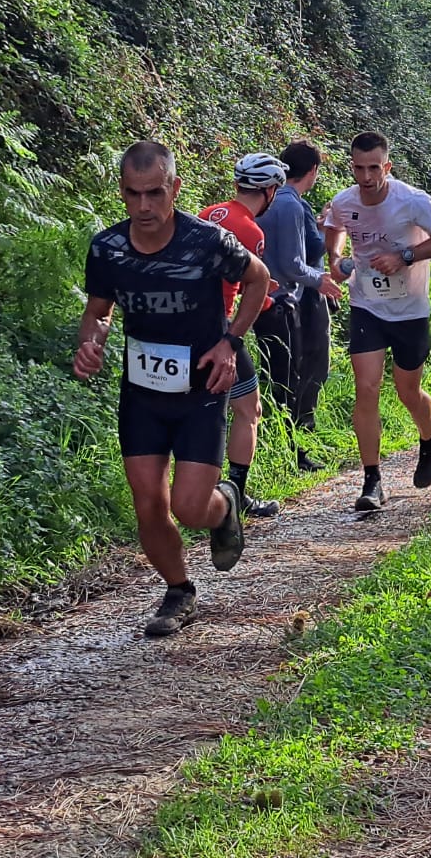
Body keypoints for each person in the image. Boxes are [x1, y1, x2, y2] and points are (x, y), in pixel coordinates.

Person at [75, 141, 272, 638]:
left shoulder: (207, 241)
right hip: (142, 391)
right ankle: (178, 590)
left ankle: (224, 503)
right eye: (133, 194)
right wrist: (91, 343)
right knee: (147, 501)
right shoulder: (108, 248)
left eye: (155, 193)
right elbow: (99, 312)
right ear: (121, 193)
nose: (144, 206)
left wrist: (230, 342)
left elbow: (259, 279)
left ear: (174, 189)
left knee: (188, 506)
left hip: (201, 386)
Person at [324, 131, 431, 511]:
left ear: (387, 167)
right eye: (358, 168)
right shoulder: (344, 201)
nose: (366, 177)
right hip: (367, 304)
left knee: (407, 392)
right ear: (351, 166)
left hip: (410, 308)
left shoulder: (413, 201)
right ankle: (372, 481)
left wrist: (406, 255)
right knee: (365, 388)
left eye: (373, 168)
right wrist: (336, 260)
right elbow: (333, 227)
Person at [199, 152, 293, 520]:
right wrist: (265, 300)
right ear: (269, 191)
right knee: (248, 410)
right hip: (219, 327)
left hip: (189, 321)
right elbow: (246, 292)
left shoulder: (209, 212)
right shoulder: (252, 232)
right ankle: (235, 495)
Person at [260, 139, 343, 473]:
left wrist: (322, 228)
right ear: (313, 171)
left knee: (282, 376)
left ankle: (285, 443)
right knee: (303, 373)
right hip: (292, 299)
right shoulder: (291, 205)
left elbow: (302, 249)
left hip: (273, 300)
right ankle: (296, 446)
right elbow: (295, 263)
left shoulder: (275, 202)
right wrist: (321, 279)